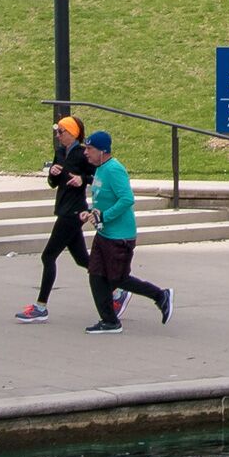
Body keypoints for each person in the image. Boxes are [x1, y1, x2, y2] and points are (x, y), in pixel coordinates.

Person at [80, 130, 170, 332]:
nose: (86, 153)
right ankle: (110, 321)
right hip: (104, 234)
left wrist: (104, 216)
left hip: (119, 236)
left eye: (90, 149)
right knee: (96, 275)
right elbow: (103, 198)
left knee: (118, 278)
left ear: (103, 151)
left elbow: (127, 199)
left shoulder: (114, 169)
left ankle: (160, 295)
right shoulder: (100, 169)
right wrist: (90, 212)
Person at [18, 113, 93, 321]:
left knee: (48, 256)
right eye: (57, 131)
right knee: (82, 259)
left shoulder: (83, 153)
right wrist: (53, 172)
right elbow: (53, 182)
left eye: (61, 132)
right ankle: (117, 287)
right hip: (63, 208)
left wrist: (82, 179)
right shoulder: (60, 151)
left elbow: (96, 175)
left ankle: (41, 306)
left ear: (72, 134)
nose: (58, 136)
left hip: (74, 212)